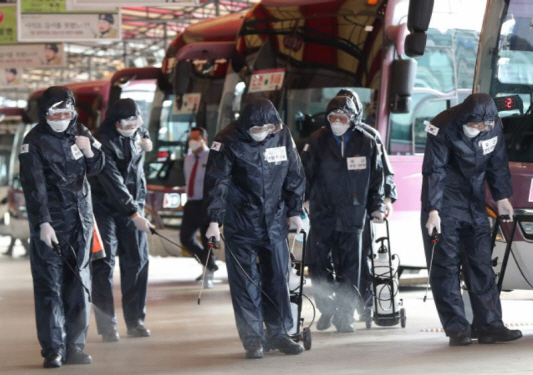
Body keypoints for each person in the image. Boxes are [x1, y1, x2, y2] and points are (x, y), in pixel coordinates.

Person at [204, 98, 306, 359]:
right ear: (245, 126)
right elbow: (218, 182)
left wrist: (295, 212)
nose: (262, 133)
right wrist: (214, 221)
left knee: (277, 279)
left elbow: (294, 173)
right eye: (256, 129)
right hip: (240, 223)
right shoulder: (226, 140)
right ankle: (253, 340)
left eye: (267, 129)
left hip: (274, 221)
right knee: (246, 283)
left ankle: (279, 333)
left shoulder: (281, 135)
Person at [421, 93, 522, 346]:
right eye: (474, 125)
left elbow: (498, 162)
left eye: (482, 126)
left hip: (474, 201)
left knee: (481, 264)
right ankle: (457, 328)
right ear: (464, 118)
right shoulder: (442, 126)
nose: (478, 130)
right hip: (444, 202)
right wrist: (433, 209)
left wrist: (501, 198)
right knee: (446, 266)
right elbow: (435, 169)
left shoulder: (493, 126)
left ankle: (490, 326)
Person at [19, 86, 105, 368]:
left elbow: (96, 168)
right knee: (50, 287)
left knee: (79, 286)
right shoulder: (34, 142)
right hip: (51, 227)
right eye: (56, 113)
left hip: (80, 223)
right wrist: (43, 222)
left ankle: (75, 347)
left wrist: (89, 150)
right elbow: (34, 188)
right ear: (45, 114)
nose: (63, 118)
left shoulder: (79, 132)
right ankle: (53, 349)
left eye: (68, 113)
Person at [301, 95, 385, 333]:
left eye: (342, 118)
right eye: (333, 118)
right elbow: (306, 173)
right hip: (322, 212)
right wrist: (302, 200)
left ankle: (344, 315)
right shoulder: (317, 141)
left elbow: (376, 179)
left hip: (353, 212)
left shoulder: (367, 142)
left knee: (350, 268)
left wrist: (377, 206)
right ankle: (327, 308)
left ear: (353, 119)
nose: (337, 122)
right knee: (318, 265)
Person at [89, 98, 154, 343]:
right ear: (115, 121)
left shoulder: (137, 131)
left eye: (136, 120)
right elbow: (113, 183)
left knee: (137, 260)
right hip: (104, 208)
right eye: (126, 122)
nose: (132, 125)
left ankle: (135, 321)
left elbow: (142, 130)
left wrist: (146, 139)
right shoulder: (102, 143)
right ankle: (107, 326)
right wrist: (134, 213)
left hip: (134, 204)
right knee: (103, 265)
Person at [336, 88, 397, 321]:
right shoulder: (324, 137)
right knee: (337, 259)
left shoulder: (369, 136)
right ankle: (339, 308)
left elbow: (384, 172)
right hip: (334, 210)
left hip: (361, 207)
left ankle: (365, 304)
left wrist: (386, 199)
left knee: (363, 258)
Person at [180, 126, 218, 289]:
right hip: (191, 203)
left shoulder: (212, 157)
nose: (192, 141)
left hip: (206, 203)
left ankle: (209, 272)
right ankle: (209, 263)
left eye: (196, 138)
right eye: (191, 138)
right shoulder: (188, 158)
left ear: (204, 139)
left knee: (207, 238)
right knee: (185, 238)